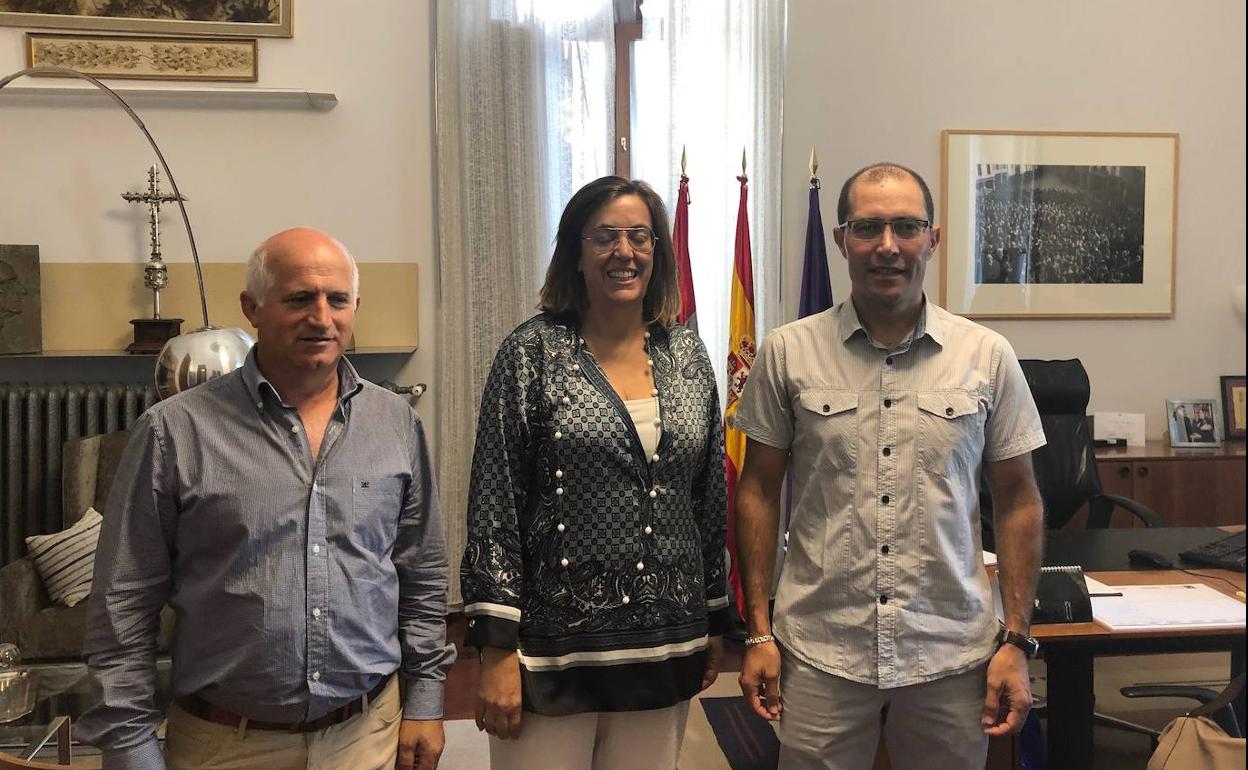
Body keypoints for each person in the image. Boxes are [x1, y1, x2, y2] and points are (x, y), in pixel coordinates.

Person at [78, 227, 455, 770]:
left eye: (337, 300)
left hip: (366, 735)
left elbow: (421, 576)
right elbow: (123, 601)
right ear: (252, 307)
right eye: (299, 298)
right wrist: (130, 745)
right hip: (225, 744)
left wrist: (425, 701)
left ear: (355, 306)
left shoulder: (396, 424)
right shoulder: (174, 431)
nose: (321, 318)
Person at [732, 163, 1047, 770]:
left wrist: (1015, 638)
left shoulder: (986, 356)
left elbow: (1018, 499)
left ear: (932, 238)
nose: (887, 246)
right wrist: (758, 631)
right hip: (822, 646)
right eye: (868, 227)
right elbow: (759, 492)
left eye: (906, 227)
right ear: (840, 238)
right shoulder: (787, 351)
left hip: (949, 649)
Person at [460, 176, 728, 770]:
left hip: (666, 641)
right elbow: (493, 501)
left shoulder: (688, 357)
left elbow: (708, 498)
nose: (623, 252)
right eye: (605, 237)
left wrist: (713, 618)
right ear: (575, 253)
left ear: (657, 252)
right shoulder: (529, 355)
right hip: (552, 650)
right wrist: (496, 651)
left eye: (639, 237)